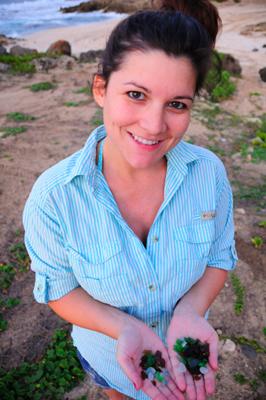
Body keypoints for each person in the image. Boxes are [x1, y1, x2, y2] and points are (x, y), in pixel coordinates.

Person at [23, 1, 238, 399]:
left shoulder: (209, 175)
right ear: (100, 89)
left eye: (177, 104)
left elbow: (219, 257)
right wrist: (122, 328)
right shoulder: (53, 198)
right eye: (136, 94)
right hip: (109, 356)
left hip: (184, 350)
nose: (154, 125)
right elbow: (59, 288)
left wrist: (190, 312)